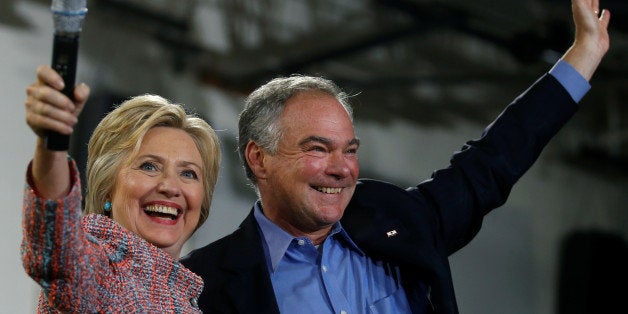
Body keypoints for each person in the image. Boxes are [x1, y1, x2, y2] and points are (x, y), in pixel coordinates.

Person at [180, 0, 611, 313]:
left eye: (350, 150)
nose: (341, 168)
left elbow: (492, 161)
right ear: (259, 158)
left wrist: (584, 55)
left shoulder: (397, 218)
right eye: (317, 148)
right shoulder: (201, 285)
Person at [21, 65, 221, 313]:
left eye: (188, 173)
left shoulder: (188, 298)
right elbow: (58, 247)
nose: (170, 187)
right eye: (148, 166)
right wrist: (52, 143)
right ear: (107, 187)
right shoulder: (103, 269)